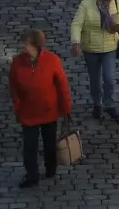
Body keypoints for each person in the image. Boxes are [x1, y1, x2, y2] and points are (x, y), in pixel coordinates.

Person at [9, 27, 72, 187]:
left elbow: (62, 86)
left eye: (27, 44)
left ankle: (51, 168)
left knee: (49, 144)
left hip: (48, 110)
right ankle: (32, 175)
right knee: (29, 146)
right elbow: (13, 87)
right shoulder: (17, 62)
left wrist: (66, 108)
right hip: (28, 112)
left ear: (35, 45)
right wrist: (17, 107)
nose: (24, 47)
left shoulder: (52, 60)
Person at [69, 0, 119, 120]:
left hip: (110, 46)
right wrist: (76, 42)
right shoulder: (86, 4)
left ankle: (109, 104)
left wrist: (118, 25)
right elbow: (76, 24)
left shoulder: (115, 0)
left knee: (109, 78)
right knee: (95, 80)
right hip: (91, 48)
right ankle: (97, 104)